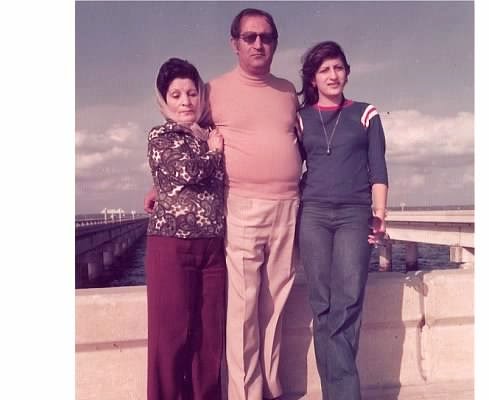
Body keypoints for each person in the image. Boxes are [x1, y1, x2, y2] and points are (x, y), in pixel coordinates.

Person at [144, 9, 302, 400]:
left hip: (287, 205)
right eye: (250, 37)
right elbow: (184, 132)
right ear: (235, 43)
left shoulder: (287, 91)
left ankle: (272, 389)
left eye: (266, 37)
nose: (259, 44)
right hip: (241, 206)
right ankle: (246, 394)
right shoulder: (213, 91)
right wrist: (159, 185)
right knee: (243, 308)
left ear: (275, 42)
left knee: (277, 302)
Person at [296, 41, 389, 400]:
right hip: (313, 215)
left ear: (347, 72)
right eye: (324, 70)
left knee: (347, 303)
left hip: (354, 214)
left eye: (338, 68)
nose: (332, 75)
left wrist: (379, 216)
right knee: (322, 307)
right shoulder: (301, 119)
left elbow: (378, 169)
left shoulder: (367, 114)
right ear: (313, 78)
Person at [145, 57, 226, 400]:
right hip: (171, 246)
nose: (185, 102)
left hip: (213, 247)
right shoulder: (161, 135)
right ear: (164, 100)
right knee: (171, 337)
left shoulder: (207, 134)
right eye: (176, 95)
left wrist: (211, 145)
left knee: (209, 339)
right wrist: (215, 153)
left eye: (192, 93)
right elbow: (187, 172)